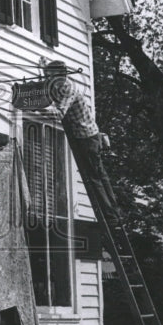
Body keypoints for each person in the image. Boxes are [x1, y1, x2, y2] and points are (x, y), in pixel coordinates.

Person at [41, 60, 122, 224]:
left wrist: (37, 109)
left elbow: (59, 114)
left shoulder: (68, 88)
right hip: (89, 135)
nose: (49, 80)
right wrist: (44, 65)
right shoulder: (60, 83)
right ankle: (114, 210)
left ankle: (111, 215)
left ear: (60, 76)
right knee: (101, 175)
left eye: (51, 77)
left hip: (87, 138)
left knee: (95, 178)